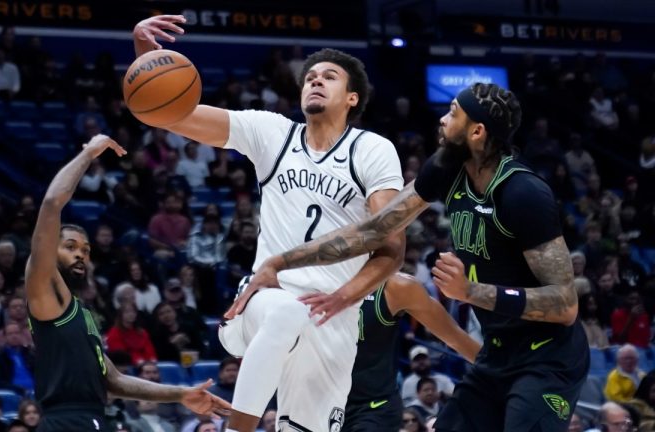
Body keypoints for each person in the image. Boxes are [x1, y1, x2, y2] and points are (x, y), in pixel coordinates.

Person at [243, 83, 590, 431]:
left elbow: (564, 304)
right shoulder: (447, 168)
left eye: (452, 112)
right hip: (498, 352)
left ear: (477, 130)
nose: (442, 120)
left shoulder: (523, 193)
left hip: (548, 358)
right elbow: (374, 229)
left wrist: (471, 292)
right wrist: (280, 262)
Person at [134, 18, 404, 432]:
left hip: (336, 318)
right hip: (265, 300)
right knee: (286, 314)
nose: (315, 82)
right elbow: (173, 114)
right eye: (309, 77)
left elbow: (392, 247)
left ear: (352, 97)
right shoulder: (273, 133)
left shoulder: (372, 150)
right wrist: (147, 58)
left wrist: (344, 298)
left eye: (328, 77)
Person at [24, 127, 229, 429]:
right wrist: (89, 153)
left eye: (85, 249)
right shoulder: (45, 289)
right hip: (64, 421)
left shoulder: (80, 313)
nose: (80, 254)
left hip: (95, 418)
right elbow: (53, 203)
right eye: (70, 247)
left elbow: (114, 380)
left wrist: (181, 393)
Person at [344, 274, 480, 432]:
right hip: (321, 400)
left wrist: (498, 369)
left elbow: (454, 336)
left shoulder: (395, 286)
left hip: (372, 407)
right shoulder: (315, 281)